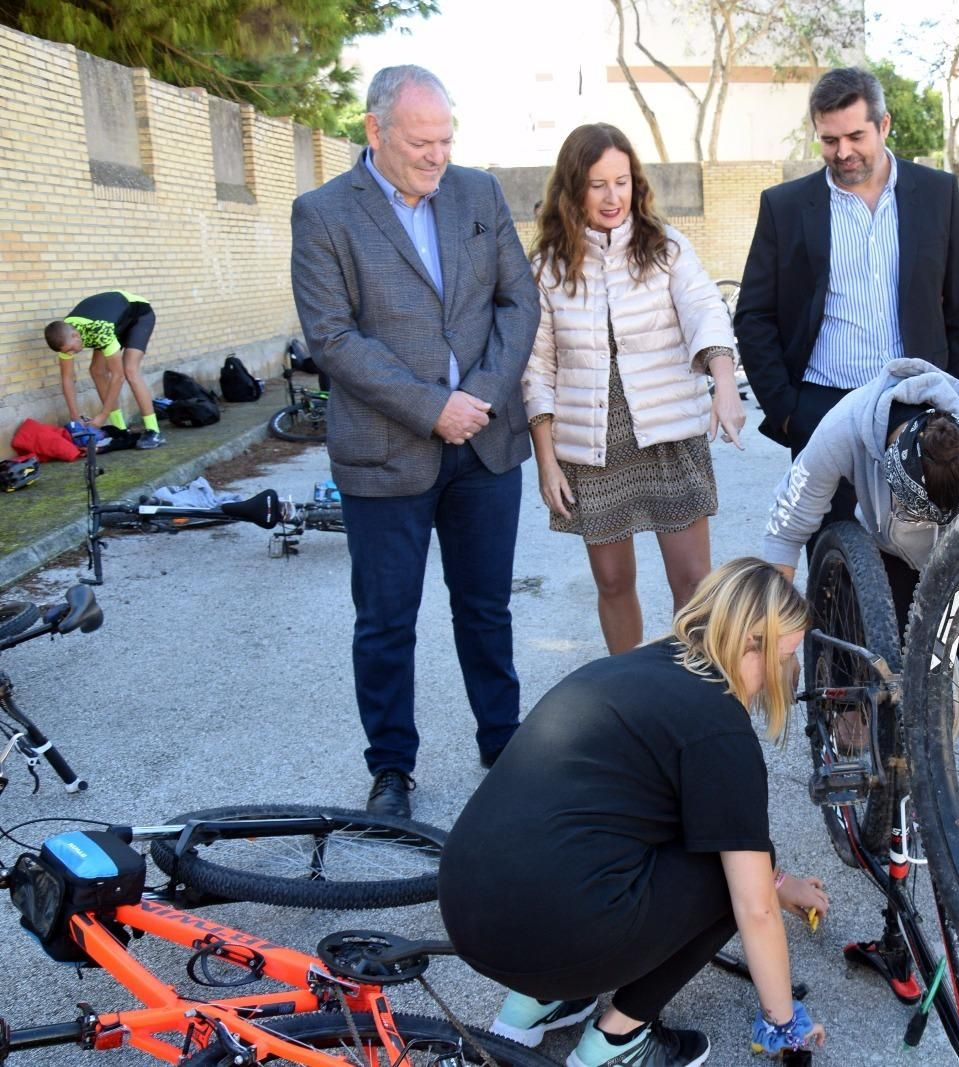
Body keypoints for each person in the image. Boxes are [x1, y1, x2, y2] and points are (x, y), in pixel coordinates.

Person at [438, 558, 829, 1067]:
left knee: (636, 840)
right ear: (751, 643)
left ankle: (532, 1006)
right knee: (728, 878)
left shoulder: (638, 667)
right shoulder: (721, 731)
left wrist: (784, 884)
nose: (789, 673)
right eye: (787, 655)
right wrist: (785, 1023)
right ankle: (616, 1041)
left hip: (469, 908)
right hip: (546, 936)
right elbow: (753, 905)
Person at [289, 65, 539, 819]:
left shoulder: (479, 192)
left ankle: (504, 742)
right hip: (386, 451)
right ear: (375, 131)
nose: (438, 155)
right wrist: (434, 408)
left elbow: (518, 300)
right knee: (387, 619)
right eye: (421, 142)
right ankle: (392, 768)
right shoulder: (324, 213)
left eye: (446, 139)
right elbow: (333, 338)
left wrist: (483, 396)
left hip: (486, 446)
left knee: (485, 607)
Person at [523, 123, 742, 655]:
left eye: (622, 181)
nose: (613, 196)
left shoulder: (665, 247)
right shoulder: (549, 268)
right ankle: (629, 695)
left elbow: (704, 310)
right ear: (573, 188)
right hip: (592, 445)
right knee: (614, 583)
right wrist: (547, 460)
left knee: (693, 583)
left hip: (668, 434)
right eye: (598, 184)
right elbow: (537, 367)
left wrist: (723, 380)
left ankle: (694, 692)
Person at [735, 65, 959, 530]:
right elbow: (753, 316)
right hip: (820, 409)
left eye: (855, 136)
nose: (843, 152)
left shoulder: (937, 194)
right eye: (829, 140)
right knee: (835, 559)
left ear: (884, 125)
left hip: (917, 405)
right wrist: (788, 411)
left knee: (924, 553)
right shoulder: (785, 207)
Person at [761, 357, 959, 766]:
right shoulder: (844, 427)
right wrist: (777, 636)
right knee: (896, 665)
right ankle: (901, 778)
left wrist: (950, 629)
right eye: (919, 513)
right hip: (891, 550)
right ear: (889, 472)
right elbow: (788, 527)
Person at [45, 291, 165, 449]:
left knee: (129, 369)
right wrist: (75, 417)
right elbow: (67, 378)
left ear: (75, 336)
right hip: (113, 320)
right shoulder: (63, 337)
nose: (70, 354)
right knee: (97, 371)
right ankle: (120, 428)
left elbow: (118, 376)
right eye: (67, 352)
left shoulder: (99, 331)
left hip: (137, 315)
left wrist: (103, 415)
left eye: (71, 350)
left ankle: (153, 431)